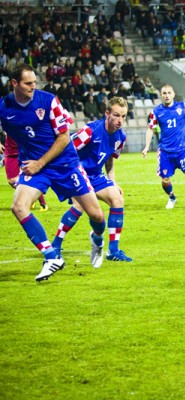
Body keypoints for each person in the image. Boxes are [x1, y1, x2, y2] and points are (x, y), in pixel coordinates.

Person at [0, 64, 106, 281]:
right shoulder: (4, 107)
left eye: (34, 82)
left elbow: (64, 137)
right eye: (28, 83)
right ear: (14, 83)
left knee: (97, 215)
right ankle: (51, 256)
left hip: (64, 164)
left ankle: (97, 239)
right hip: (35, 166)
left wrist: (40, 163)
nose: (33, 86)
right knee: (18, 207)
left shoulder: (48, 101)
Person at [51, 97, 132, 262]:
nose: (120, 120)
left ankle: (113, 251)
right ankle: (55, 245)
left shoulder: (121, 137)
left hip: (95, 175)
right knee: (79, 205)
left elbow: (109, 160)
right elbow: (66, 149)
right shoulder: (90, 131)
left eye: (123, 116)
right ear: (107, 113)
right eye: (116, 115)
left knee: (117, 199)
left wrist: (113, 182)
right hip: (76, 172)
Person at [1, 132, 48, 210]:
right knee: (12, 181)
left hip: (25, 149)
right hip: (10, 151)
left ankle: (42, 203)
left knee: (28, 176)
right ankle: (31, 197)